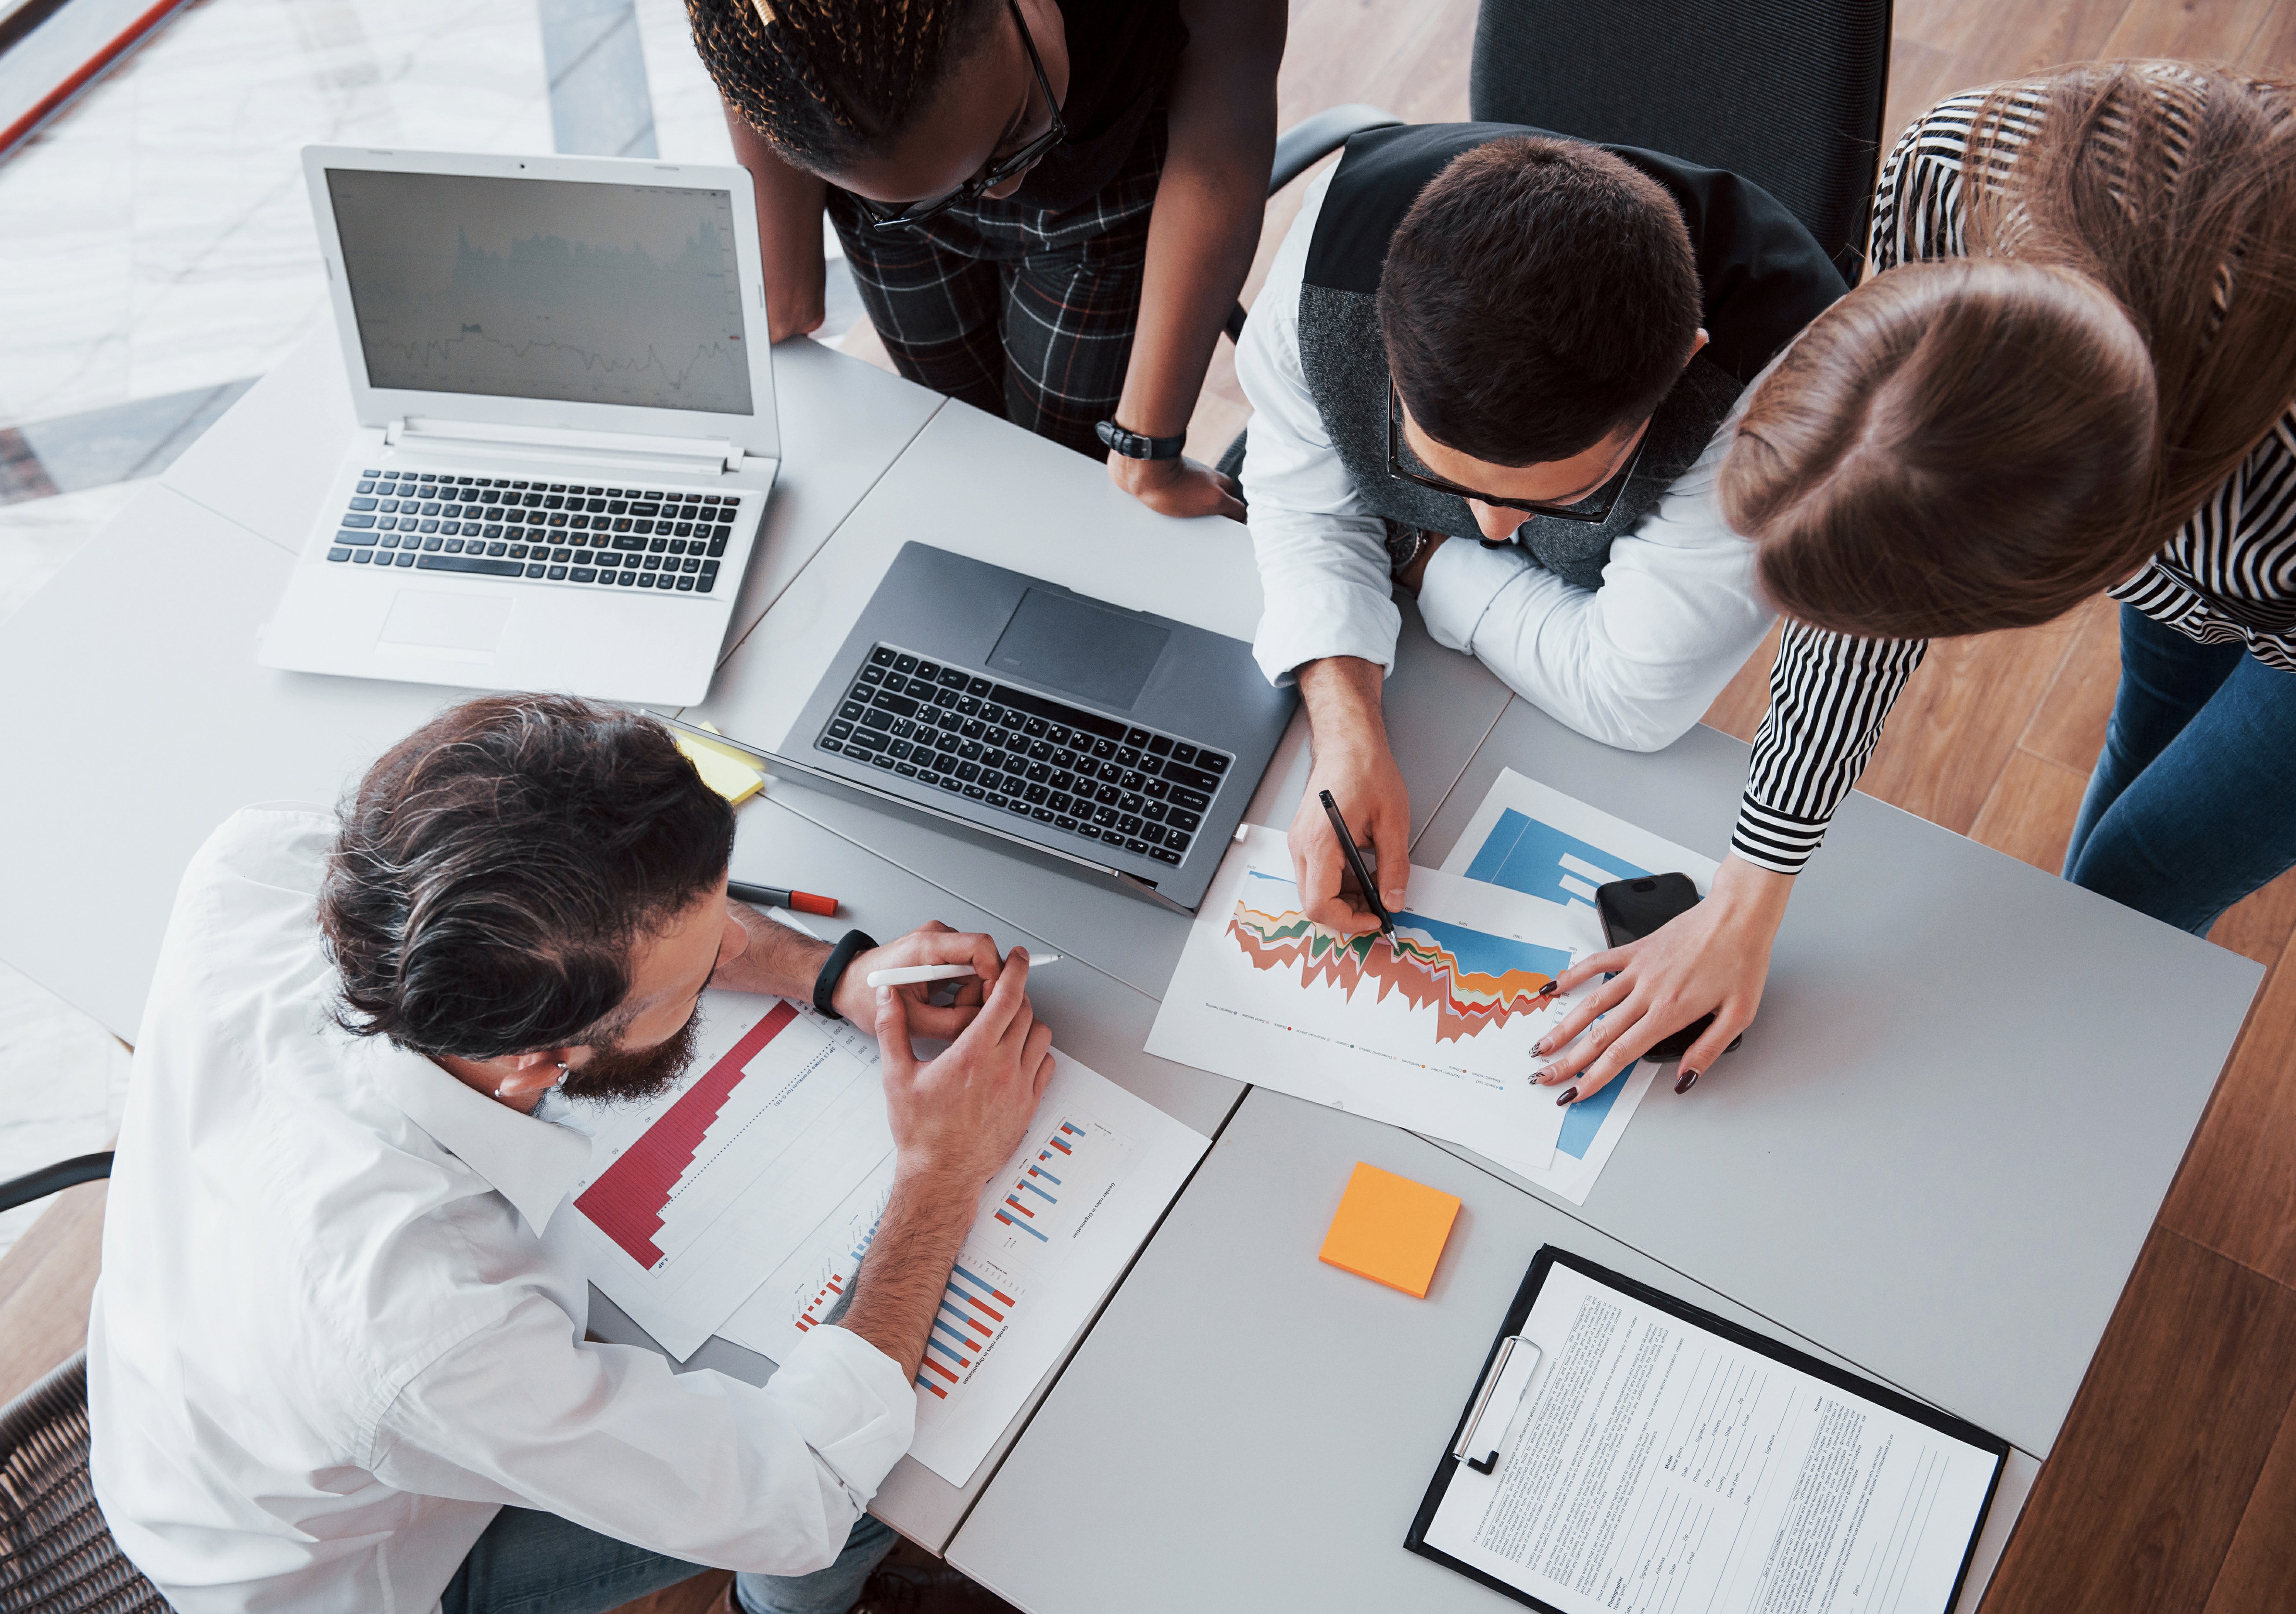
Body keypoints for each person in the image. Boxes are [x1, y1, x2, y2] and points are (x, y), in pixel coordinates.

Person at [1532, 62, 2296, 1104]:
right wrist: (1747, 889)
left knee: (2140, 877)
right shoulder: (1952, 171)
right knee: (2152, 719)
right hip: (2214, 495)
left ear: (2058, 579)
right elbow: (1875, 532)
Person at [87, 694, 1055, 1614]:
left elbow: (575, 891)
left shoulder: (265, 864)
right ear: (538, 1063)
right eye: (692, 974)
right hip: (332, 1567)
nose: (727, 949)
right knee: (869, 1500)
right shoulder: (436, 1332)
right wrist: (941, 1173)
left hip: (191, 1383)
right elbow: (797, 1489)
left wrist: (825, 972)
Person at [1236, 124, 1845, 936]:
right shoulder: (1323, 273)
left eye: (1558, 493)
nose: (1485, 527)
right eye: (1436, 474)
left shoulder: (1780, 399)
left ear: (1680, 367)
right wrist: (1346, 736)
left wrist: (1412, 548)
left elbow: (1629, 695)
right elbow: (1301, 506)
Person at [687, 0, 1283, 520]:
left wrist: (1145, 448)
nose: (999, 189)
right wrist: (780, 282)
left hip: (1102, 183)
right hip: (890, 213)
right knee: (969, 452)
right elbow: (755, 44)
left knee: (1056, 480)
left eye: (1021, 123)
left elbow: (1222, 147)